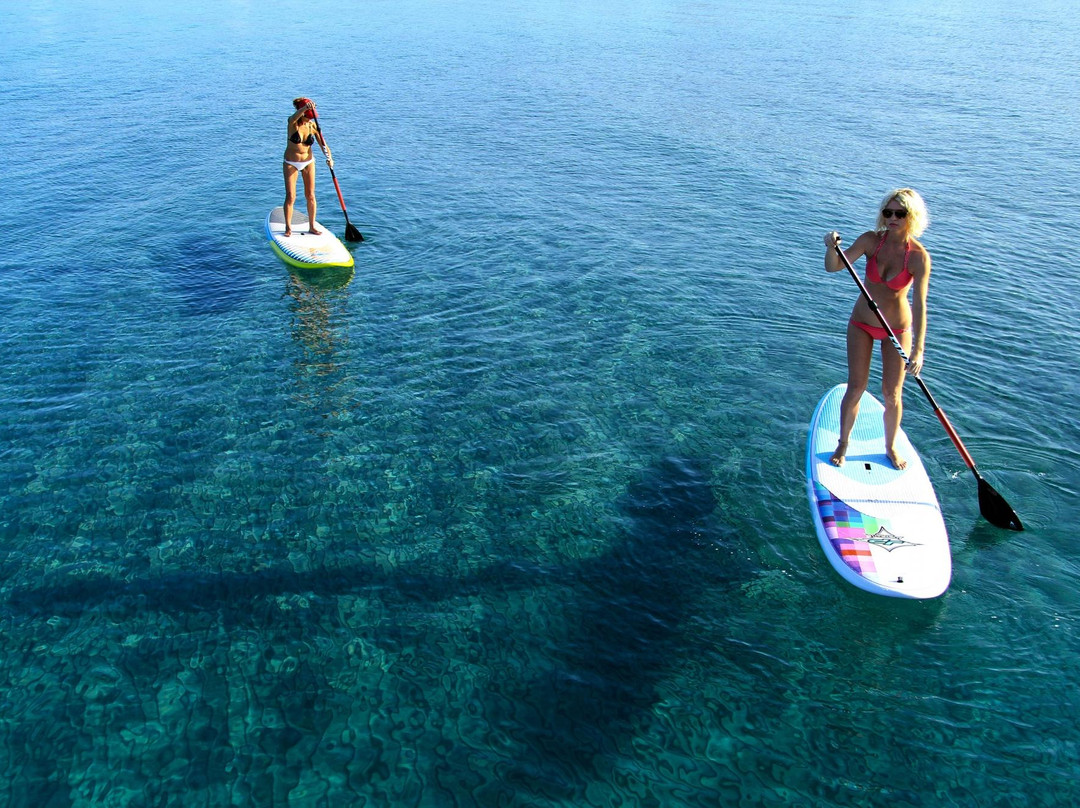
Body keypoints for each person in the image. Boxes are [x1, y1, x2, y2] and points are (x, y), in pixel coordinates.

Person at [823, 188, 931, 470]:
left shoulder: (918, 257)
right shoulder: (871, 241)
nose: (893, 218)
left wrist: (919, 350)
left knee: (892, 394)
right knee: (856, 386)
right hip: (861, 324)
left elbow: (920, 305)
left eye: (900, 213)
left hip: (897, 331)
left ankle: (891, 447)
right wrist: (831, 247)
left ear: (912, 216)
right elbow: (834, 267)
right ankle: (843, 443)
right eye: (888, 212)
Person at [283, 97, 333, 237]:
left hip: (308, 162)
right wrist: (305, 108)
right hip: (291, 163)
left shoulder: (313, 126)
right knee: (291, 196)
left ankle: (312, 226)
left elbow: (323, 144)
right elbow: (293, 118)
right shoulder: (292, 123)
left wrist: (329, 158)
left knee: (310, 195)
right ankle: (288, 228)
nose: (309, 119)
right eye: (308, 117)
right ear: (302, 113)